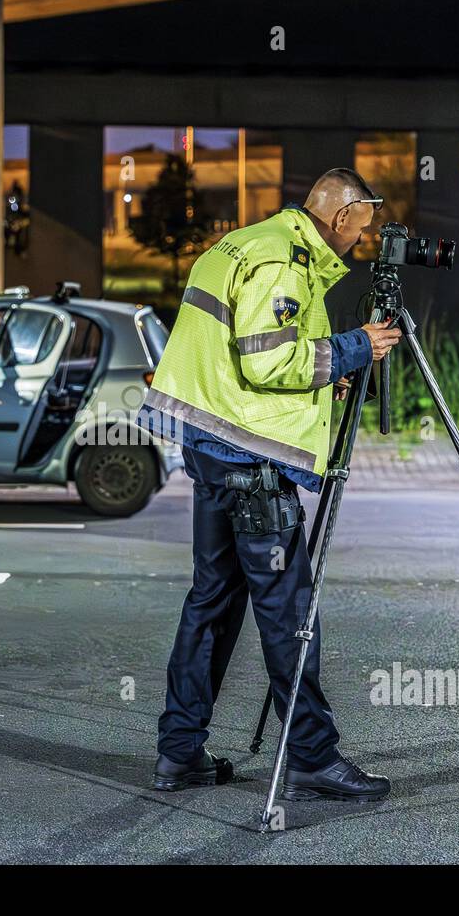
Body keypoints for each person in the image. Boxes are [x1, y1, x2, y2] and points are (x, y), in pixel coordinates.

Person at [137, 168, 402, 801]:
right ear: (341, 216)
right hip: (248, 461)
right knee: (287, 611)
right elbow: (268, 361)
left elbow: (246, 351)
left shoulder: (246, 243)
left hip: (210, 444)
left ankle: (179, 753)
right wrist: (354, 349)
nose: (364, 242)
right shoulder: (282, 262)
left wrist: (326, 367)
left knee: (212, 601)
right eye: (363, 228)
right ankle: (311, 756)